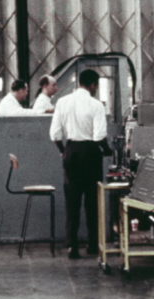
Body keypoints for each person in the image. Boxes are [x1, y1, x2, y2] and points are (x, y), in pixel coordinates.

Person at [49, 69, 111, 258]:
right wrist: (107, 150)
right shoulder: (96, 105)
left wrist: (62, 150)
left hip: (72, 152)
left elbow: (55, 134)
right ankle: (93, 244)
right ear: (93, 85)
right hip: (91, 153)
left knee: (72, 201)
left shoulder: (63, 102)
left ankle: (72, 246)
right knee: (92, 201)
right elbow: (99, 136)